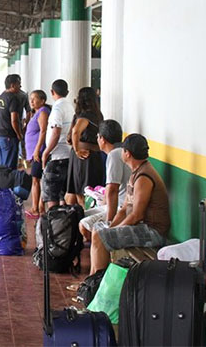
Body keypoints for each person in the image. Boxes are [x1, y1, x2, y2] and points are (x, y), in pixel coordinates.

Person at [89, 134, 170, 275]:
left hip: (152, 232)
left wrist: (114, 231)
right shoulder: (136, 172)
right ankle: (91, 280)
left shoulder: (144, 177)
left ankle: (95, 283)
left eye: (123, 150)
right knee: (98, 230)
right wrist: (111, 226)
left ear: (127, 154)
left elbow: (136, 215)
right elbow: (125, 208)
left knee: (101, 237)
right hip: (141, 227)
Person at [79, 119, 132, 241]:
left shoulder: (115, 155)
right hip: (117, 205)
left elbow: (113, 190)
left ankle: (101, 247)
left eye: (98, 136)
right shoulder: (119, 152)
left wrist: (109, 222)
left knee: (83, 225)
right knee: (79, 215)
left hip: (120, 208)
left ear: (102, 139)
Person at [66, 87, 105, 206]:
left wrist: (77, 149)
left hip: (84, 156)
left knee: (83, 192)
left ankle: (85, 219)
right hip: (93, 154)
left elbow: (75, 132)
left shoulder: (85, 115)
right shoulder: (97, 115)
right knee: (89, 191)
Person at [40, 79, 73, 210]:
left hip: (57, 156)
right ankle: (62, 225)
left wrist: (46, 152)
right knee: (62, 195)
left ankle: (53, 223)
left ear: (52, 92)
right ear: (67, 92)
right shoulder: (70, 107)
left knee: (52, 195)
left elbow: (56, 132)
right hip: (68, 154)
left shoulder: (57, 109)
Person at [24, 90, 50, 219]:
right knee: (36, 179)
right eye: (31, 99)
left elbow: (43, 132)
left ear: (43, 100)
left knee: (36, 179)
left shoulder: (43, 111)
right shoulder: (36, 113)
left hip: (38, 152)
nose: (32, 101)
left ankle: (36, 208)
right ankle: (38, 206)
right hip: (34, 152)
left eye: (35, 99)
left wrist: (36, 150)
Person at [0, 74, 25, 169]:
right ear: (12, 85)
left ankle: (2, 183)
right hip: (9, 136)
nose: (20, 86)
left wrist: (0, 124)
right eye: (19, 84)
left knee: (2, 164)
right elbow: (14, 119)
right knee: (9, 166)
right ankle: (7, 184)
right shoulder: (13, 98)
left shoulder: (0, 97)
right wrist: (19, 134)